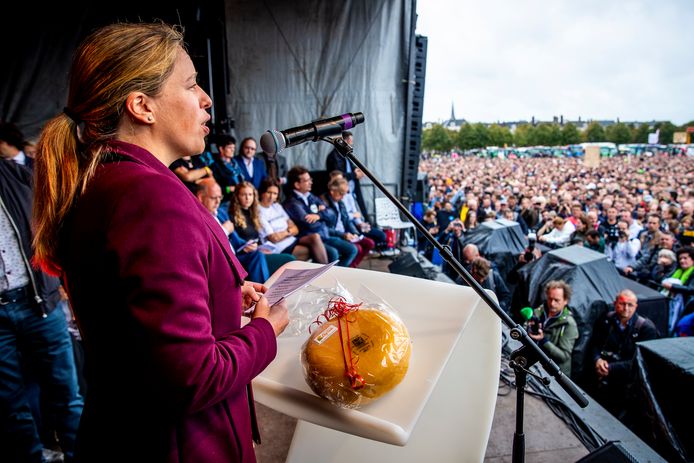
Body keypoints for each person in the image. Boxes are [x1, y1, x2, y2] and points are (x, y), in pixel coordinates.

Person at [32, 22, 288, 462]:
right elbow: (191, 377)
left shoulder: (109, 182)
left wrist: (221, 295)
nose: (207, 99)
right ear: (142, 106)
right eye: (190, 84)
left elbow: (133, 314)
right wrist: (267, 330)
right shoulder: (149, 197)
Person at [1, 158, 84, 462]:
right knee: (10, 405)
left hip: (39, 301)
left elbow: (58, 223)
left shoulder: (16, 173)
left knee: (67, 395)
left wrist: (66, 282)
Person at [587, 290, 658, 418]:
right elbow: (594, 343)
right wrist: (597, 359)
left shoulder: (646, 329)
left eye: (630, 305)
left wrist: (611, 368)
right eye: (622, 304)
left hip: (625, 387)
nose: (626, 308)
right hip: (600, 379)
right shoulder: (607, 319)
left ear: (636, 306)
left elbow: (641, 362)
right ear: (615, 303)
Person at [195, 178, 271, 284]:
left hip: (236, 256)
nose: (218, 202)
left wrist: (245, 247)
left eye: (219, 197)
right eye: (213, 198)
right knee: (257, 256)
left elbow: (236, 239)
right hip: (221, 262)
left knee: (256, 253)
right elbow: (206, 244)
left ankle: (265, 292)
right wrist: (224, 230)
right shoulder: (197, 217)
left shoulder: (220, 213)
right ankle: (265, 293)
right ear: (200, 197)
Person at [283, 166, 358, 266]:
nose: (311, 182)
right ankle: (330, 276)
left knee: (352, 249)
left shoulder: (311, 196)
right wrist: (323, 217)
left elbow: (332, 214)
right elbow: (309, 224)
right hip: (312, 238)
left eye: (310, 179)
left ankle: (337, 274)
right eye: (306, 180)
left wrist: (318, 216)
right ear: (297, 184)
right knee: (333, 253)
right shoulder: (292, 203)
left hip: (325, 234)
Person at [229, 181, 296, 274]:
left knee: (290, 259)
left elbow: (257, 238)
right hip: (247, 255)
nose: (247, 198)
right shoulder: (232, 216)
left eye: (250, 194)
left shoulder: (253, 213)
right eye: (243, 195)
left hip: (259, 250)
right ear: (237, 196)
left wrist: (261, 247)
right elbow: (236, 243)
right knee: (289, 259)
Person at [257, 178, 328, 263]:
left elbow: (295, 229)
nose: (272, 197)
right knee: (315, 251)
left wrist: (286, 232)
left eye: (275, 193)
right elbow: (274, 238)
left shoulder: (277, 206)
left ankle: (325, 271)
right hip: (280, 247)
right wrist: (289, 231)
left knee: (315, 237)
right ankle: (326, 272)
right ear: (262, 193)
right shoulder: (258, 211)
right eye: (269, 192)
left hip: (292, 239)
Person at [526, 280, 579, 377]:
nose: (552, 303)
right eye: (550, 299)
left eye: (557, 300)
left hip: (553, 374)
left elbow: (564, 356)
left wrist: (543, 340)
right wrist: (528, 329)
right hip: (534, 366)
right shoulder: (539, 311)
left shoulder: (569, 324)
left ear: (565, 301)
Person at [321, 176, 375, 268]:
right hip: (333, 235)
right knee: (356, 249)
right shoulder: (323, 203)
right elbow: (324, 228)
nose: (343, 197)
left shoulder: (340, 203)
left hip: (344, 234)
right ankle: (343, 270)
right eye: (341, 193)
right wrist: (343, 235)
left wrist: (354, 233)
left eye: (344, 194)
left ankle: (351, 267)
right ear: (332, 191)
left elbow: (346, 221)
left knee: (369, 243)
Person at [325, 131, 368, 221]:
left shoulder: (345, 155)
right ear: (344, 141)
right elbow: (337, 176)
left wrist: (357, 170)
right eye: (350, 140)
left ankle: (365, 224)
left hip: (350, 187)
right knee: (347, 213)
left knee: (358, 210)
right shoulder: (334, 156)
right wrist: (354, 174)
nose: (351, 143)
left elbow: (350, 167)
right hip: (342, 189)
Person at [661, 246, 694, 335]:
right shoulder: (677, 271)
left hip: (686, 307)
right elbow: (663, 278)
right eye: (680, 258)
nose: (682, 261)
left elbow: (691, 289)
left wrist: (673, 287)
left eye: (685, 258)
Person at [209, 134, 245, 204]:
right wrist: (229, 189)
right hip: (226, 201)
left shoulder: (236, 163)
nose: (232, 150)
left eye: (233, 148)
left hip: (239, 199)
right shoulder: (215, 166)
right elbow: (214, 187)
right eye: (229, 147)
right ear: (221, 149)